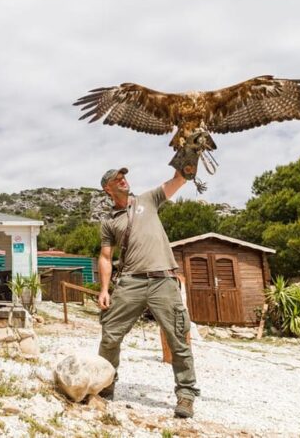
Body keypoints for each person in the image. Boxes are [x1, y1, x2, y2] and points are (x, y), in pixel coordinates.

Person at [96, 166, 200, 418]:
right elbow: (105, 257)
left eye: (124, 177)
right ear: (107, 188)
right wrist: (104, 289)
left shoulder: (148, 199)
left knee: (178, 337)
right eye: (116, 179)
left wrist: (186, 161)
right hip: (130, 282)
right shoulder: (109, 221)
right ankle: (105, 386)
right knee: (110, 334)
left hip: (163, 279)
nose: (123, 180)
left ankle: (185, 395)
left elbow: (178, 180)